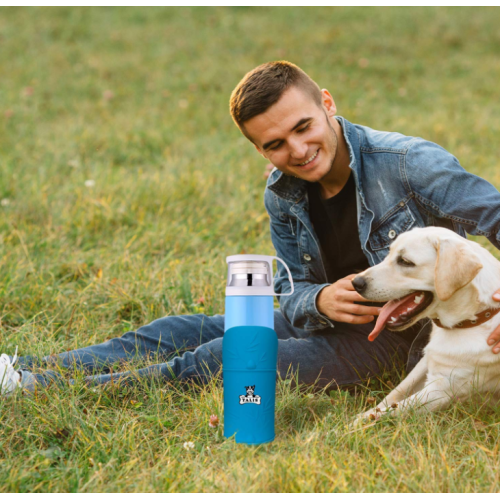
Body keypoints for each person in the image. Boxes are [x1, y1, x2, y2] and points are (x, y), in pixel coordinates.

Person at [2, 60, 500, 395]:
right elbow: (291, 287)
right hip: (330, 322)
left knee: (224, 356)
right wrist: (319, 299)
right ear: (259, 150)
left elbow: (494, 214)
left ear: (326, 104)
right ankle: (25, 367)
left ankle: (38, 389)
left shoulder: (409, 162)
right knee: (177, 329)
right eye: (275, 144)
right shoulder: (282, 192)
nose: (298, 151)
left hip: (403, 342)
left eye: (303, 127)